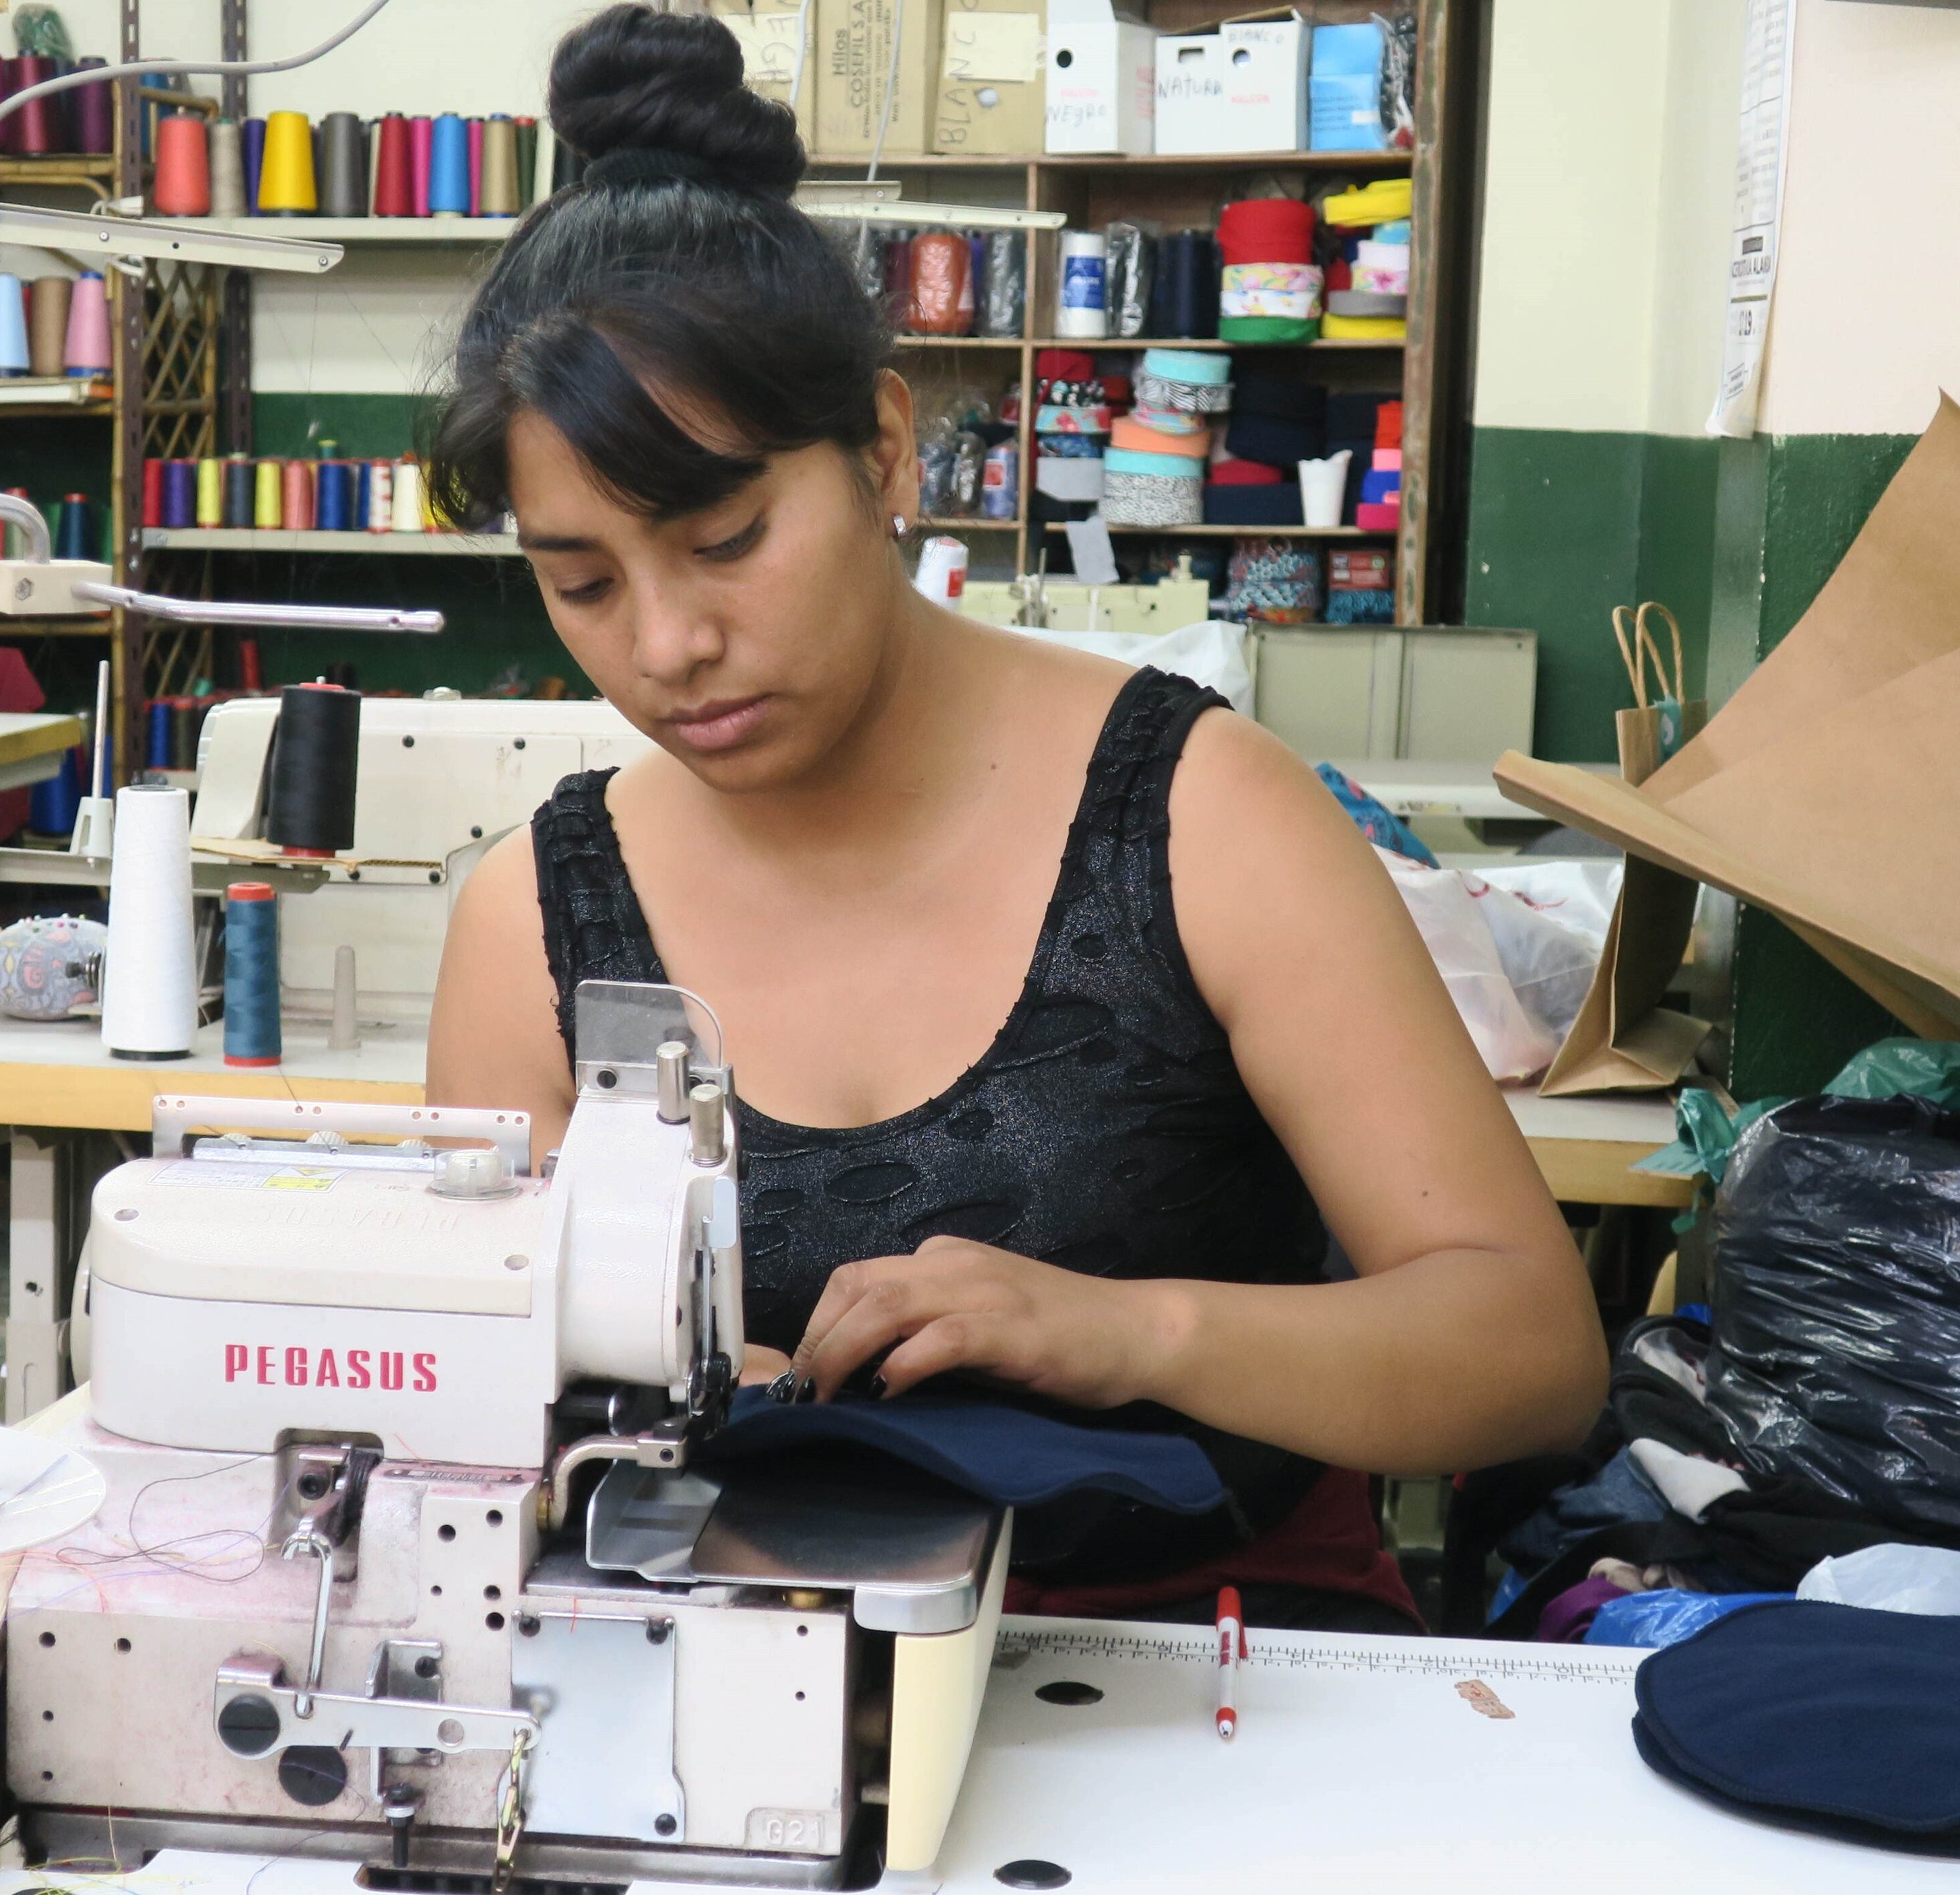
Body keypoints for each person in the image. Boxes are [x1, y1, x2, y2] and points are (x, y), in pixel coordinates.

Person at [425, 6, 1605, 1635]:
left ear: (888, 451)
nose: (665, 644)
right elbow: (489, 1409)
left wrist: (1132, 1333)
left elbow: (1530, 1359)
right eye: (580, 583)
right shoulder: (537, 918)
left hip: (1207, 1659)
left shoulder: (1195, 818)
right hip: (743, 1668)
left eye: (726, 538)